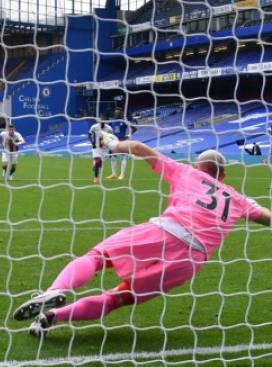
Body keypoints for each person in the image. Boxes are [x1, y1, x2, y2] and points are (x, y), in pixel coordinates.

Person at [14, 131, 271, 337]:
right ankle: (53, 317)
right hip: (191, 259)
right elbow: (267, 219)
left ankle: (54, 290)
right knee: (119, 297)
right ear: (223, 175)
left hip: (166, 231)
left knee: (97, 257)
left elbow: (138, 148)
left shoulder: (186, 171)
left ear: (197, 165)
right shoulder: (237, 200)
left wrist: (112, 144)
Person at [109, 107, 136, 180]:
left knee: (124, 157)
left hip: (122, 141)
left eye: (118, 112)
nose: (116, 114)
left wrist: (128, 135)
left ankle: (122, 174)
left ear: (120, 113)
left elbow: (134, 128)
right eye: (115, 112)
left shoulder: (124, 121)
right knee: (113, 157)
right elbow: (108, 129)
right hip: (113, 142)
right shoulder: (112, 121)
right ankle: (114, 174)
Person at [87, 119, 113, 183]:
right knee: (97, 161)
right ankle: (96, 178)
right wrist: (92, 142)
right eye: (100, 122)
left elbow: (112, 137)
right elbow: (89, 134)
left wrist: (110, 148)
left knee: (100, 164)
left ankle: (95, 165)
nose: (101, 124)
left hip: (105, 148)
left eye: (103, 123)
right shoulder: (94, 127)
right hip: (96, 147)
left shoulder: (109, 128)